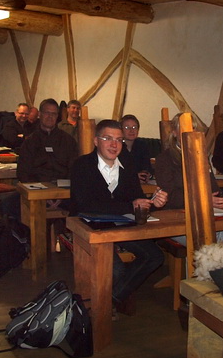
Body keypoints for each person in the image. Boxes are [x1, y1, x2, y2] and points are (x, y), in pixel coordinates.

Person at [71, 120, 167, 316]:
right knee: (116, 270)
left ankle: (107, 302)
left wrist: (153, 203)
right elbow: (85, 205)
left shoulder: (127, 164)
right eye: (108, 138)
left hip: (121, 225)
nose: (114, 144)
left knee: (155, 256)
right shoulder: (82, 165)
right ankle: (107, 305)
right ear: (96, 141)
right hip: (90, 227)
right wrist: (131, 206)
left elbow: (135, 197)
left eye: (119, 140)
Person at [155, 112, 223, 245]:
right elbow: (170, 196)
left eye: (193, 128)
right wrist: (203, 200)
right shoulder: (164, 159)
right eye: (185, 129)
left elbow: (213, 188)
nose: (190, 132)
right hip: (177, 219)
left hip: (205, 217)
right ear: (174, 132)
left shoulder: (201, 156)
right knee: (209, 243)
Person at [17, 98, 78, 183]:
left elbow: (74, 170)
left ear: (57, 116)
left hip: (62, 187)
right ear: (40, 114)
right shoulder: (30, 142)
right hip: (36, 187)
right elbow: (22, 172)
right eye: (47, 113)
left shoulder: (68, 141)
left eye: (53, 114)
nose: (50, 116)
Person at [118, 114, 152, 183]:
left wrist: (146, 174)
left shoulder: (142, 145)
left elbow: (147, 166)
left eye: (134, 127)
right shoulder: (116, 146)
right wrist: (133, 177)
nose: (131, 130)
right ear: (121, 130)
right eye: (127, 127)